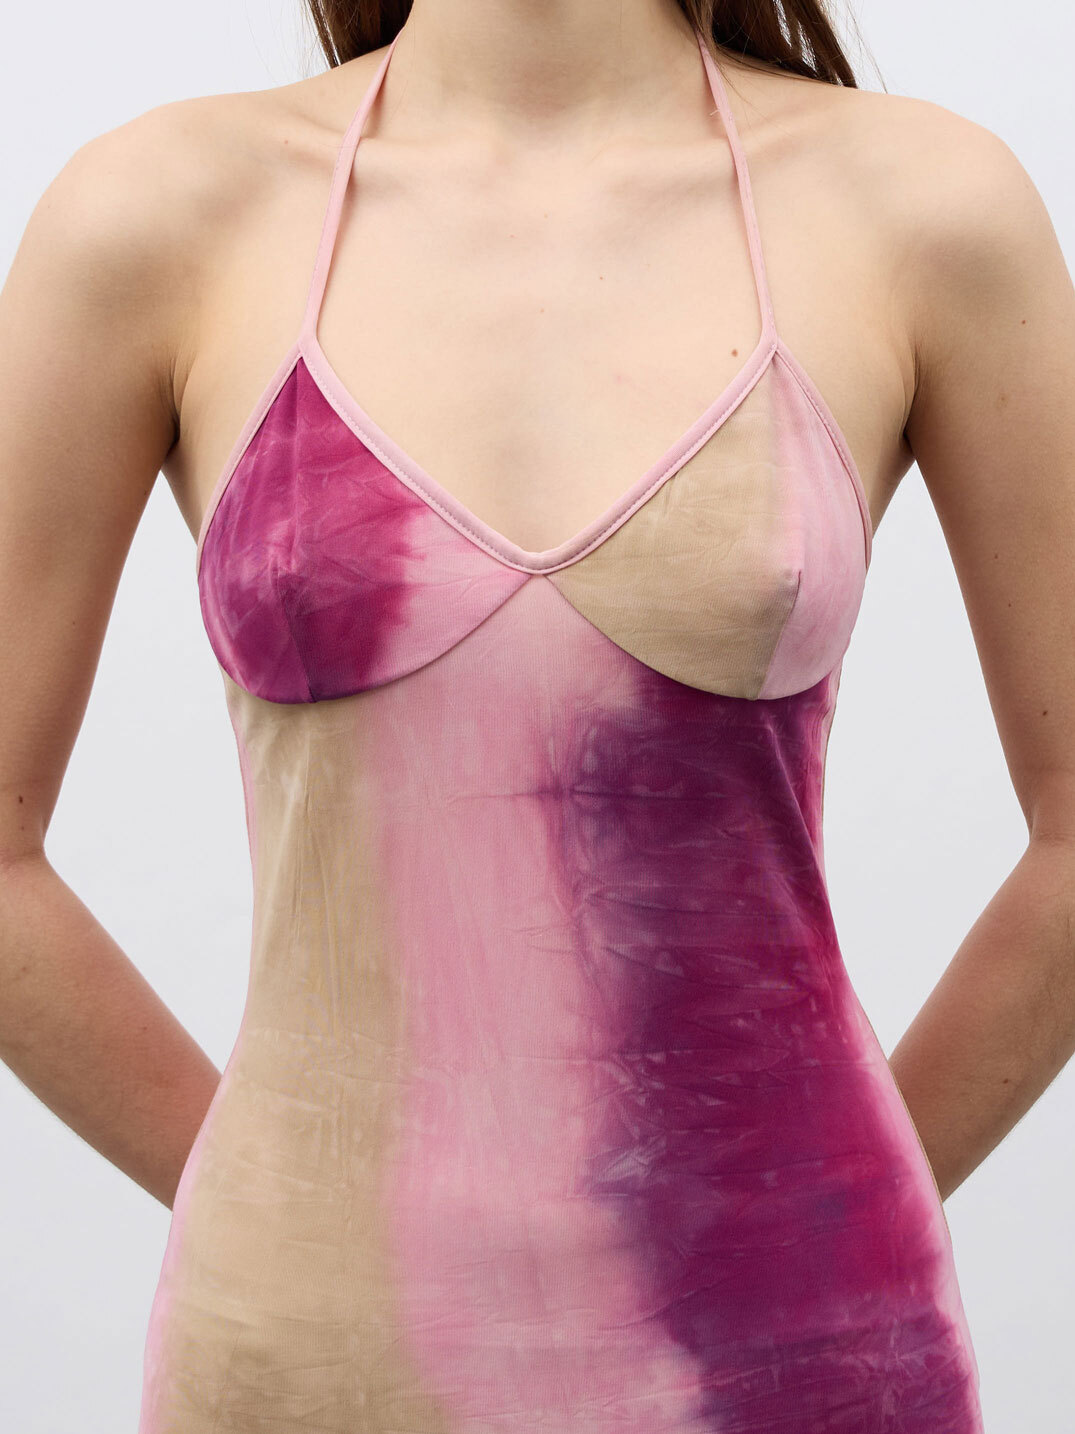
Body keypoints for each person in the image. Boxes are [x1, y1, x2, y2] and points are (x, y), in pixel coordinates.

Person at [2, 0, 1074, 1427]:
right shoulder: (155, 218)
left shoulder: (922, 209)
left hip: (801, 1360)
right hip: (302, 1366)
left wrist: (837, 1207)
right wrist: (253, 1189)